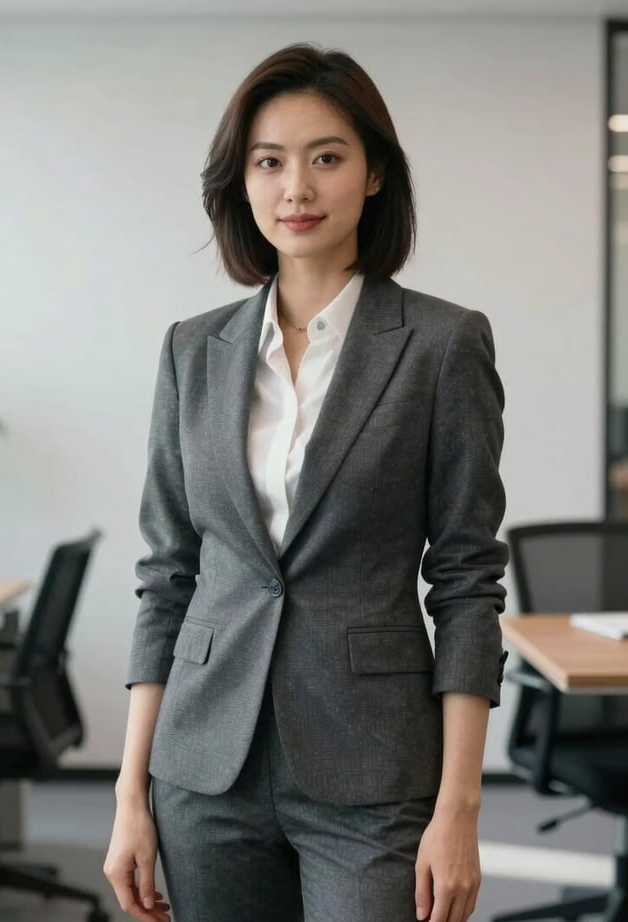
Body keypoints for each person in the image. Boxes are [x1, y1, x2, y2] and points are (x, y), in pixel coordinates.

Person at [104, 42, 509, 922]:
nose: (298, 187)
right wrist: (130, 792)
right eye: (270, 161)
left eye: (327, 157)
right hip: (205, 769)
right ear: (240, 182)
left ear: (373, 175)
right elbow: (169, 576)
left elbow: (467, 580)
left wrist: (459, 808)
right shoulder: (192, 350)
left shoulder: (441, 346)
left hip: (371, 770)